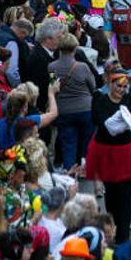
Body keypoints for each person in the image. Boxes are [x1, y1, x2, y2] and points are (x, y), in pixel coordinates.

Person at [84, 68, 131, 244]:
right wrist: (117, 122)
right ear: (110, 84)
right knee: (111, 195)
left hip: (128, 152)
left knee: (125, 195)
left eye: (124, 86)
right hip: (106, 152)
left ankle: (123, 238)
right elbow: (98, 120)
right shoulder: (100, 99)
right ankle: (112, 228)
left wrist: (125, 122)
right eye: (118, 85)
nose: (121, 89)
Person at [48, 33, 95, 169]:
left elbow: (53, 87)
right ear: (75, 48)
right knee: (86, 142)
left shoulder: (51, 67)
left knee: (68, 144)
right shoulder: (82, 67)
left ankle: (70, 173)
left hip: (63, 111)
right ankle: (84, 167)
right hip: (85, 110)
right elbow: (93, 87)